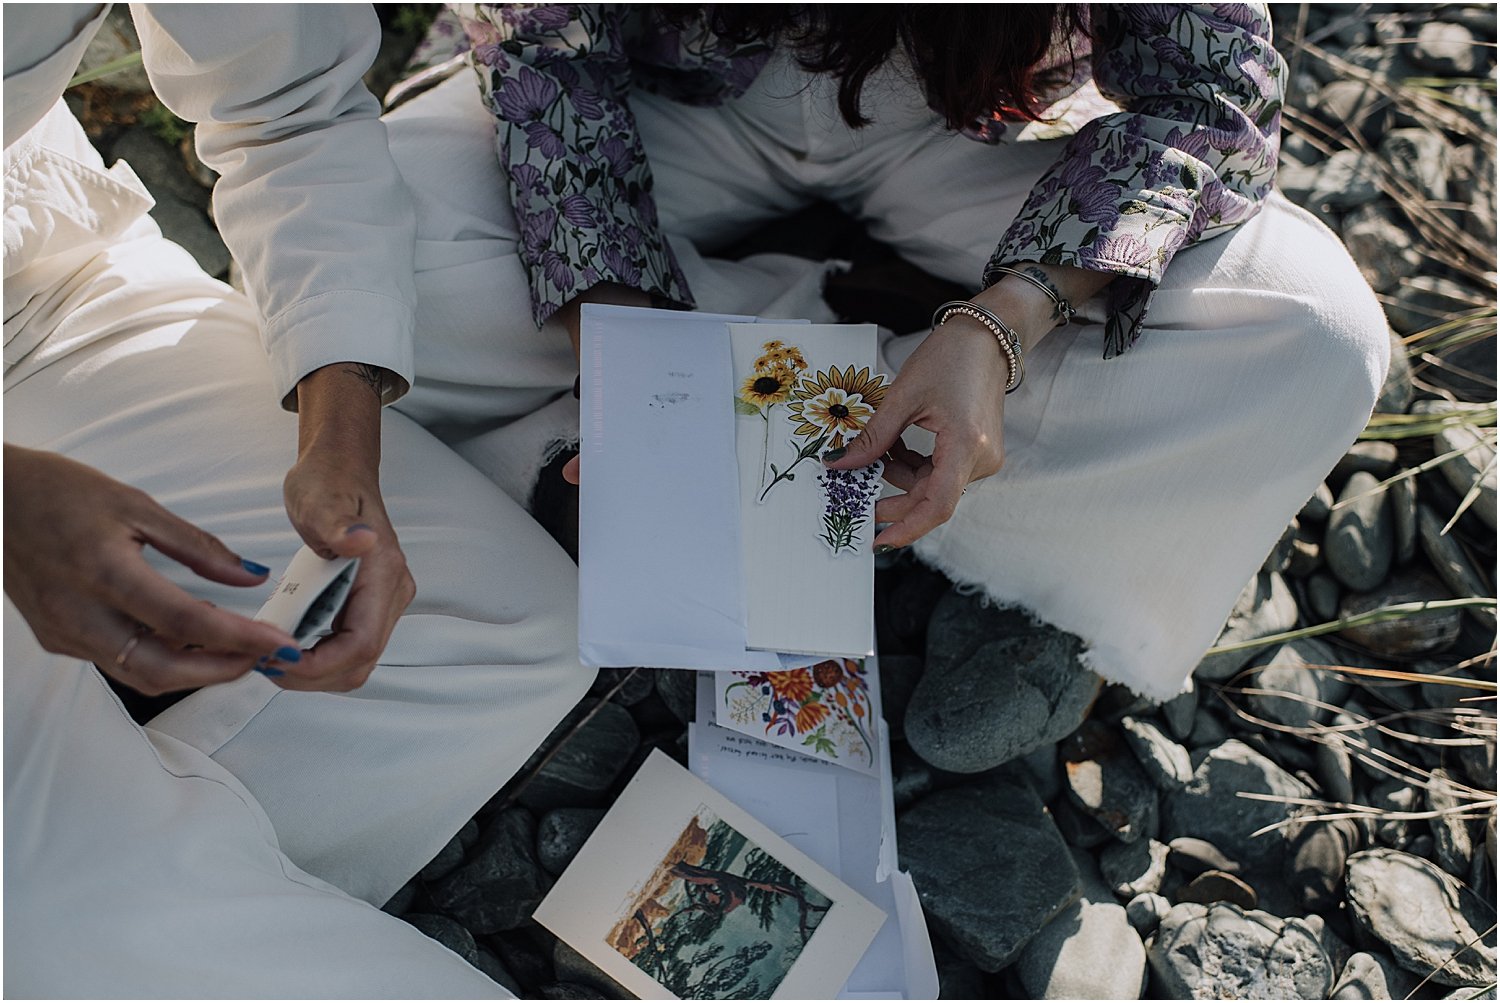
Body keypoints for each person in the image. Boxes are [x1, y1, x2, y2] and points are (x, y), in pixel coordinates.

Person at [379, 4, 1389, 705]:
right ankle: (822, 352)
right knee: (380, 249)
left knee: (1308, 331)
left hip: (976, 129)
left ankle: (862, 393)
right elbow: (544, 58)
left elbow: (1217, 91)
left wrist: (1004, 323)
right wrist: (626, 357)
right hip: (670, 99)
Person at [4, 6, 590, 996]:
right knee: (59, 911)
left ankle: (120, 894)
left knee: (511, 625)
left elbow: (284, 103)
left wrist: (341, 432)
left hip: (34, 281)